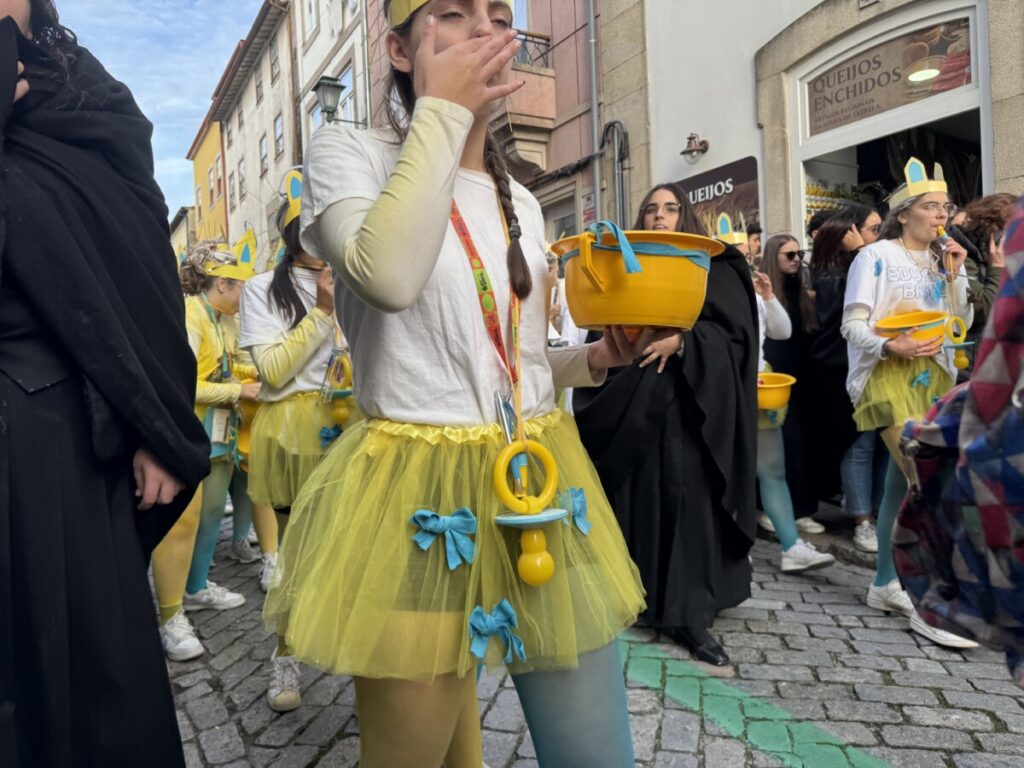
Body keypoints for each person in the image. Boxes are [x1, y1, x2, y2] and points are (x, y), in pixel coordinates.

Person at [263, 2, 647, 765]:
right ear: (400, 51)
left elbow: (519, 367)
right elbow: (389, 276)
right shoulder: (350, 154)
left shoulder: (528, 202)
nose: (485, 29)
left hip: (537, 478)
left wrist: (600, 357)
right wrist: (444, 111)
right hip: (417, 494)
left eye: (498, 13)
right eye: (452, 13)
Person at [0, 3, 210, 765]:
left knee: (90, 698)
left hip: (61, 436)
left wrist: (149, 415)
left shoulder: (86, 96)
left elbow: (136, 263)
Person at [575, 182, 759, 667]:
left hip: (692, 408)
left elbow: (734, 335)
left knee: (687, 505)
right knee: (635, 499)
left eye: (671, 208)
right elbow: (605, 328)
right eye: (651, 209)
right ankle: (632, 595)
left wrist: (684, 344)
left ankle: (687, 612)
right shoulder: (626, 262)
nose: (660, 217)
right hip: (634, 402)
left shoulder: (712, 264)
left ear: (687, 217)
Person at [841, 158, 978, 649]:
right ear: (904, 214)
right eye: (930, 206)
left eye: (945, 205)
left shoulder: (945, 259)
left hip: (935, 377)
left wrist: (955, 277)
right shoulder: (874, 256)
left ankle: (883, 583)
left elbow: (956, 322)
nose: (940, 214)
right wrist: (890, 345)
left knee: (901, 485)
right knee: (931, 479)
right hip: (886, 376)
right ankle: (931, 603)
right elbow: (852, 324)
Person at [239, 193, 357, 712]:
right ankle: (286, 656)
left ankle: (366, 665)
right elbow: (272, 372)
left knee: (360, 552)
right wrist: (323, 312)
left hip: (356, 424)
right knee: (296, 553)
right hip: (294, 433)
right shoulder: (262, 289)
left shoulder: (358, 275)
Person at [152, 244, 257, 663]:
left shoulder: (226, 321)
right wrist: (239, 390)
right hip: (187, 435)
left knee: (212, 511)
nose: (245, 297)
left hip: (220, 436)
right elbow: (184, 384)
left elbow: (237, 364)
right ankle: (170, 614)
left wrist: (259, 371)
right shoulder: (190, 314)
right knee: (181, 524)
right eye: (241, 288)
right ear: (221, 283)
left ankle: (196, 588)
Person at [808, 208, 883, 553]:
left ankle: (879, 513)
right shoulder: (831, 273)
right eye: (872, 229)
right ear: (848, 233)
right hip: (841, 370)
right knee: (860, 443)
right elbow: (846, 316)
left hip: (873, 363)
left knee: (881, 444)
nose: (877, 236)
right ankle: (861, 520)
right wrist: (859, 253)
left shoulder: (866, 261)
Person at [753, 270, 835, 573]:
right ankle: (730, 549)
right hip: (721, 388)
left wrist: (769, 297)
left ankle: (791, 546)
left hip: (759, 386)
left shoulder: (754, 294)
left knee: (772, 470)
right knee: (724, 471)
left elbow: (782, 330)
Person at [759, 235, 824, 535]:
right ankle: (773, 509)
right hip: (775, 376)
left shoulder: (802, 290)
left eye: (800, 252)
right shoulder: (763, 293)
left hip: (804, 375)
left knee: (803, 443)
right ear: (774, 257)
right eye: (790, 254)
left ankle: (802, 508)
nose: (797, 258)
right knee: (782, 445)